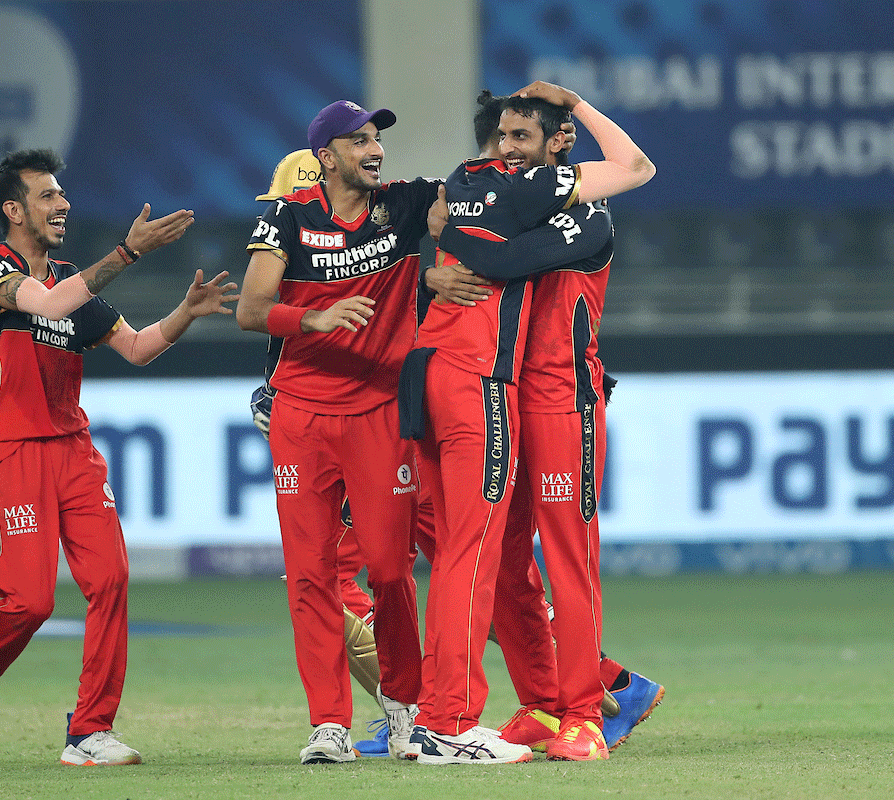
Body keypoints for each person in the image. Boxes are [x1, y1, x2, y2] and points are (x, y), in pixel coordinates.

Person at [0, 149, 237, 766]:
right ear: (14, 211)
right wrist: (127, 253)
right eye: (47, 196)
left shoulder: (71, 280)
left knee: (112, 579)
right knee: (30, 601)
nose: (63, 203)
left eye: (61, 193)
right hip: (12, 450)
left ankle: (89, 732)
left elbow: (136, 348)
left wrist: (185, 312)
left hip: (74, 450)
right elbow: (45, 305)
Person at [407, 80, 654, 765]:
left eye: (522, 138)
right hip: (505, 395)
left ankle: (583, 715)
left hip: (565, 402)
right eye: (502, 138)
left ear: (561, 143)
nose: (507, 151)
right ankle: (542, 702)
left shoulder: (590, 216)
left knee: (567, 560)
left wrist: (577, 104)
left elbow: (503, 257)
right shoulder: (512, 197)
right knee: (509, 564)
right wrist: (434, 268)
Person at [236, 101, 443, 764]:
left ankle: (406, 708)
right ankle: (328, 723)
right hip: (300, 416)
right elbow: (250, 309)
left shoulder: (406, 206)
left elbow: (476, 206)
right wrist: (315, 322)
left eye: (377, 139)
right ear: (326, 155)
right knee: (310, 575)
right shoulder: (288, 217)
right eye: (358, 141)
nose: (374, 150)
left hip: (381, 414)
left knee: (388, 570)